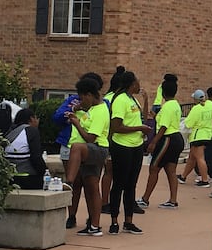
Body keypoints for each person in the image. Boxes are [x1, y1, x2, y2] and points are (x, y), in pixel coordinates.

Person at [107, 70, 152, 233]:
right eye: (138, 81)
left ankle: (128, 221)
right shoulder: (120, 100)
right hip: (122, 146)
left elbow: (143, 118)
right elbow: (116, 127)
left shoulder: (133, 99)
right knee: (119, 184)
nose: (140, 84)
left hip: (136, 146)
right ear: (132, 84)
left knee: (131, 185)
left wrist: (146, 101)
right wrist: (138, 128)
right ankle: (114, 221)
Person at [65, 76, 110, 235]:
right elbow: (85, 120)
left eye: (82, 98)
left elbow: (91, 138)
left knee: (76, 148)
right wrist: (77, 114)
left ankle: (69, 182)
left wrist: (77, 123)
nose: (81, 101)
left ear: (89, 95)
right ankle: (94, 226)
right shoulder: (91, 110)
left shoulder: (100, 111)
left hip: (98, 149)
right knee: (91, 187)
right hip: (91, 150)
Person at [141, 75, 183, 208]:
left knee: (154, 168)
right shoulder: (175, 105)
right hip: (176, 138)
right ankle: (173, 200)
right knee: (171, 170)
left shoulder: (166, 107)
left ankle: (145, 199)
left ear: (163, 93)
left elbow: (164, 127)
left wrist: (153, 142)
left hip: (167, 139)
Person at [3, 108, 46, 187]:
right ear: (31, 119)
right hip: (27, 178)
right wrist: (44, 171)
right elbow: (36, 158)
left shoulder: (10, 131)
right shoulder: (32, 131)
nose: (37, 121)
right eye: (36, 118)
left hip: (9, 178)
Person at [179, 89, 212, 186]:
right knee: (191, 158)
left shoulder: (196, 109)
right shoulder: (211, 105)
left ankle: (205, 180)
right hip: (208, 134)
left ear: (195, 99)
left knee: (200, 158)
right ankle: (183, 176)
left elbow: (188, 124)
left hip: (198, 136)